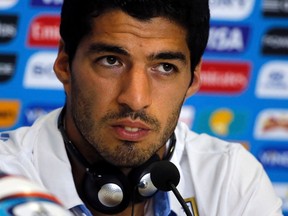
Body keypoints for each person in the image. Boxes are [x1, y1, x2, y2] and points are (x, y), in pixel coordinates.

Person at [0, 0, 283, 215]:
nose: (135, 99)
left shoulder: (230, 177)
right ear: (64, 63)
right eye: (111, 61)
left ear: (193, 79)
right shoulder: (7, 174)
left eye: (164, 67)